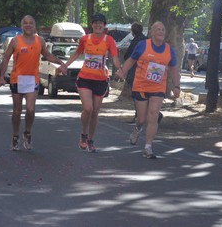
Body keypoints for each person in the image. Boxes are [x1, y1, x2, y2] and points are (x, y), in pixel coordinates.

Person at [0, 15, 66, 151]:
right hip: (17, 78)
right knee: (17, 111)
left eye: (30, 23)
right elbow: (6, 58)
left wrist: (61, 62)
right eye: (25, 23)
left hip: (32, 79)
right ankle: (15, 136)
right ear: (21, 26)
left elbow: (47, 55)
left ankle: (27, 133)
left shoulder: (39, 40)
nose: (28, 25)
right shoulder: (15, 41)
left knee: (30, 109)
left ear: (34, 26)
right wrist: (0, 76)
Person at [116, 21, 180, 159]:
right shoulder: (143, 45)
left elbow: (174, 69)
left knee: (153, 115)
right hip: (141, 86)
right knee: (141, 118)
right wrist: (123, 71)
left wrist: (176, 86)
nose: (161, 31)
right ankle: (138, 128)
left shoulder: (169, 50)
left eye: (163, 29)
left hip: (158, 88)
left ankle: (148, 147)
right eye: (157, 29)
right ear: (151, 32)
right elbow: (131, 60)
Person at [62, 13, 122, 153]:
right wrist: (65, 65)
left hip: (100, 80)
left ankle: (91, 139)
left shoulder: (109, 40)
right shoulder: (85, 39)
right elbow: (77, 53)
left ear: (104, 25)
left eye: (100, 23)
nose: (98, 25)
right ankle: (83, 134)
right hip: (85, 78)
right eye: (95, 23)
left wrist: (120, 69)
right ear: (92, 25)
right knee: (88, 109)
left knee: (95, 112)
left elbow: (114, 58)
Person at [124, 22, 147, 123]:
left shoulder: (135, 42)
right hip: (147, 71)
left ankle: (139, 115)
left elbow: (127, 56)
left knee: (137, 94)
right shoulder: (147, 41)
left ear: (133, 32)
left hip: (136, 71)